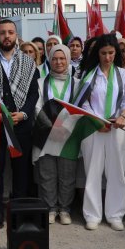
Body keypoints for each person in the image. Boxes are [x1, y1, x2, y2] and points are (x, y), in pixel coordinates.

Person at [0, 20, 39, 228]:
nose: (7, 36)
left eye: (11, 32)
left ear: (16, 35)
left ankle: (19, 214)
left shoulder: (28, 62)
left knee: (22, 172)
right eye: (2, 33)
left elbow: (33, 94)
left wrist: (24, 114)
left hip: (21, 125)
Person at [77, 34, 125, 231]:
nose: (107, 57)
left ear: (116, 53)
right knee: (92, 172)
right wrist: (96, 121)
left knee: (116, 172)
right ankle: (92, 215)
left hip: (117, 128)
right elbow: (83, 102)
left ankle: (115, 214)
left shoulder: (124, 74)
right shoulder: (88, 74)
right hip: (94, 128)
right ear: (97, 53)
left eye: (111, 53)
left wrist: (123, 117)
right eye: (103, 53)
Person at [34, 43, 76, 224]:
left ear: (68, 60)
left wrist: (65, 128)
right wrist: (52, 128)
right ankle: (50, 208)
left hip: (69, 135)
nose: (58, 62)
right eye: (54, 58)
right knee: (47, 172)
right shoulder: (40, 82)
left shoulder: (78, 83)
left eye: (62, 58)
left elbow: (80, 108)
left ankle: (64, 209)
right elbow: (36, 107)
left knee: (67, 174)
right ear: (49, 60)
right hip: (46, 134)